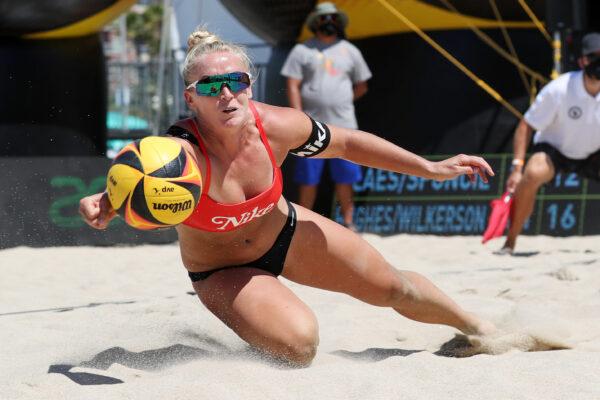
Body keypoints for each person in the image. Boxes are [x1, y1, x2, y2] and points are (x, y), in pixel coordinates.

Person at [80, 28, 496, 367]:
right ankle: (259, 331)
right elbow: (137, 177)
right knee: (299, 346)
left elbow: (349, 144)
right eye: (210, 86)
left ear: (249, 85)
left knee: (392, 287)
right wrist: (104, 203)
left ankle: (481, 329)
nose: (226, 94)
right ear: (191, 97)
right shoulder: (180, 153)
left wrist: (430, 168)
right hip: (222, 269)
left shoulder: (277, 126)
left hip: (288, 232)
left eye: (236, 82)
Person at [499, 32, 600, 254]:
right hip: (555, 150)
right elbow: (526, 125)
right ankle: (510, 241)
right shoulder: (560, 89)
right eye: (594, 57)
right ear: (583, 60)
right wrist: (516, 168)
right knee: (532, 174)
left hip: (593, 152)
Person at [280, 2, 371, 230]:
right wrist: (298, 117)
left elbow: (362, 86)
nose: (329, 22)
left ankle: (349, 223)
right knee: (308, 180)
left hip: (345, 126)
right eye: (323, 18)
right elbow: (292, 84)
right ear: (315, 23)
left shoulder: (350, 51)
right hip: (312, 128)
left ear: (339, 22)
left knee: (346, 178)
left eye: (333, 18)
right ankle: (301, 223)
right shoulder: (303, 50)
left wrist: (341, 100)